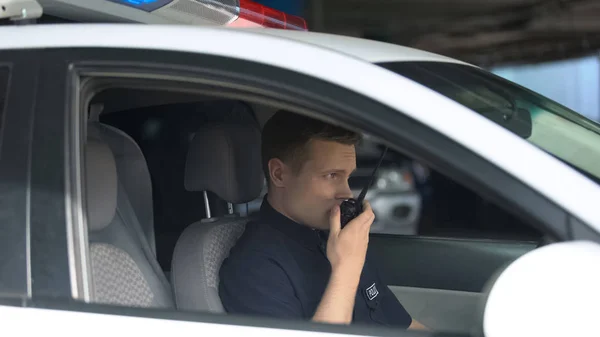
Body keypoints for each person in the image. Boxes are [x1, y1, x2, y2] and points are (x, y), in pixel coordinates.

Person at [219, 110, 428, 330]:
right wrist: (346, 268)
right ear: (279, 174)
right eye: (331, 175)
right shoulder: (254, 269)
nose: (347, 192)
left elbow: (405, 327)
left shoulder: (336, 237)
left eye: (347, 177)